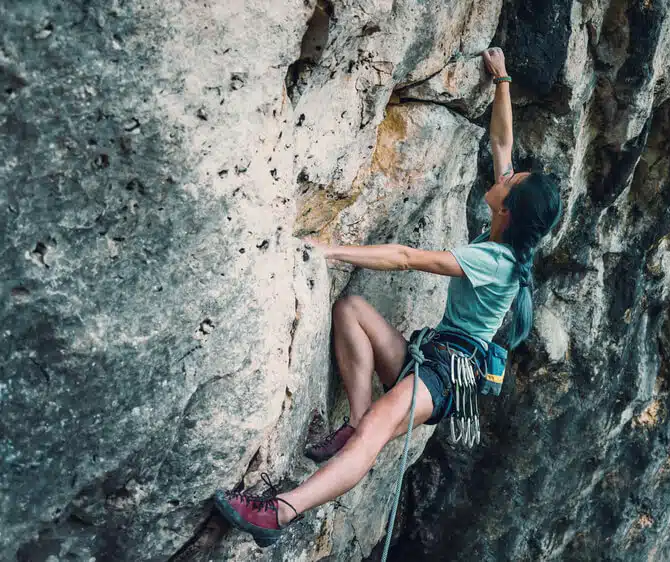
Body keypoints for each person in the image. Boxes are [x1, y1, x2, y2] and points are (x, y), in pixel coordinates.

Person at [212, 47, 562, 547]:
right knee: (351, 311)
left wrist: (330, 251)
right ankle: (352, 422)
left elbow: (403, 257)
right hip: (435, 355)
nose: (504, 176)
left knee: (376, 433)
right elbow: (503, 143)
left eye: (511, 183)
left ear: (507, 210)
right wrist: (502, 80)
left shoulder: (494, 261)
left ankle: (278, 515)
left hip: (445, 374)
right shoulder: (510, 234)